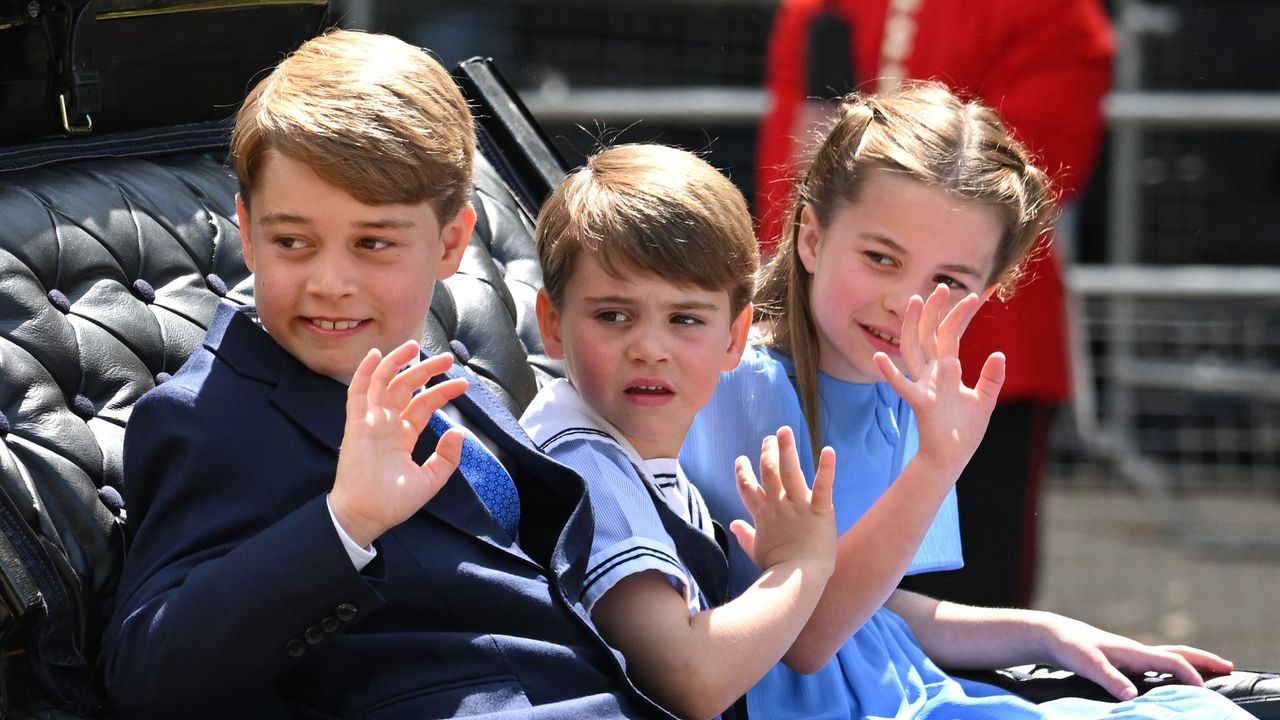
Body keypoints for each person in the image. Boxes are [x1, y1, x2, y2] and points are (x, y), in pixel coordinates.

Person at [102, 30, 671, 719]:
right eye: (293, 242)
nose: (330, 282)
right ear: (247, 234)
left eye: (373, 243)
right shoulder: (208, 417)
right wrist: (346, 522)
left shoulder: (452, 383)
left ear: (452, 243)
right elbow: (147, 669)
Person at [682, 82, 1249, 719]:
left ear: (994, 291)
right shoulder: (740, 384)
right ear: (812, 238)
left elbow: (877, 612)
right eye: (880, 257)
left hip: (909, 691)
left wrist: (1045, 632)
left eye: (948, 281)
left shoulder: (905, 399)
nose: (907, 302)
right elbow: (809, 636)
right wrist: (935, 465)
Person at [755, 0, 1115, 607]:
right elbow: (794, 166)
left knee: (973, 585)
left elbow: (1032, 171)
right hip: (832, 330)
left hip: (975, 346)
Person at [519, 143, 841, 720]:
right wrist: (802, 565)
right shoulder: (585, 469)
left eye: (685, 319)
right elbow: (692, 680)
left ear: (734, 337)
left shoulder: (636, 458)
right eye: (613, 315)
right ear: (553, 324)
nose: (649, 348)